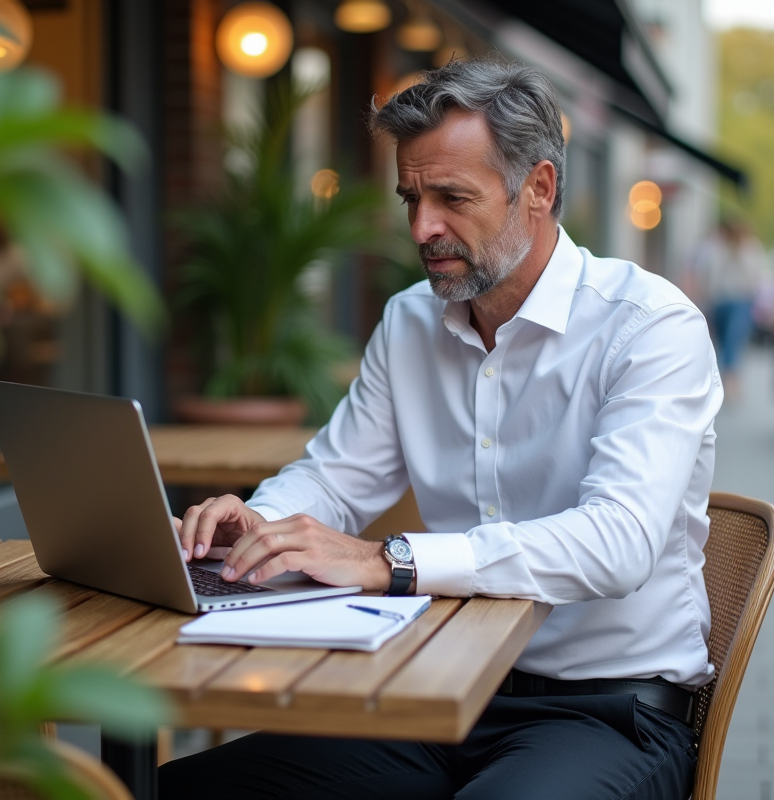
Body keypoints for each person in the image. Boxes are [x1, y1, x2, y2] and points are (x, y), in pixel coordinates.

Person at [160, 59, 722, 800]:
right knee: (186, 790)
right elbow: (336, 477)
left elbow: (619, 543)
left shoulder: (649, 326)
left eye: (452, 197)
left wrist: (389, 561)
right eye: (411, 198)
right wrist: (261, 525)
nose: (423, 228)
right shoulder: (409, 322)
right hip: (438, 689)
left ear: (539, 189)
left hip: (607, 713)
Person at [683, 218, 770, 397]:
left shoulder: (750, 248)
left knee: (733, 337)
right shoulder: (714, 248)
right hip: (719, 300)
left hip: (741, 300)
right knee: (722, 340)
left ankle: (730, 379)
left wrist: (739, 252)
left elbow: (754, 275)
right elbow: (706, 273)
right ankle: (726, 374)